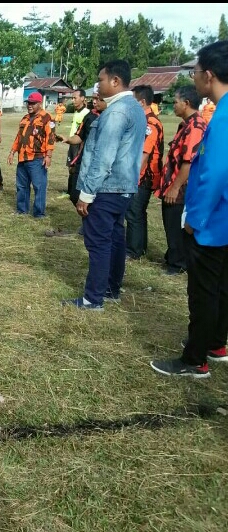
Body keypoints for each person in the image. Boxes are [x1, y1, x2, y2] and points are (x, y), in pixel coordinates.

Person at [151, 40, 228, 377]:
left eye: (195, 73)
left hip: (213, 222)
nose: (194, 79)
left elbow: (214, 174)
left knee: (203, 292)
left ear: (208, 76)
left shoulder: (222, 118)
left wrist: (194, 220)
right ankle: (216, 344)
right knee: (222, 287)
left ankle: (194, 359)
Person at [61, 59, 146, 310]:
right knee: (114, 239)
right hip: (124, 188)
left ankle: (93, 298)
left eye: (100, 80)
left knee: (98, 243)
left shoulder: (117, 112)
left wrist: (86, 194)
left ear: (115, 81)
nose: (97, 86)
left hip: (107, 188)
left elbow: (104, 157)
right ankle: (110, 289)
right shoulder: (134, 108)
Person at [156, 86, 206, 276]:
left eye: (175, 102)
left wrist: (175, 188)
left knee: (175, 222)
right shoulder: (186, 125)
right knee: (171, 222)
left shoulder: (195, 128)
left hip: (182, 186)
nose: (173, 105)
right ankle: (174, 256)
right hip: (174, 183)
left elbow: (188, 162)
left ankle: (177, 263)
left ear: (186, 103)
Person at [45, 87, 106, 237]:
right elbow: (80, 136)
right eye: (94, 98)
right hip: (83, 160)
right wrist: (66, 139)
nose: (95, 101)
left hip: (100, 163)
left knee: (95, 197)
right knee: (74, 193)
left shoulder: (111, 118)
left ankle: (92, 227)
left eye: (99, 99)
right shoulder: (90, 117)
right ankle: (88, 222)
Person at [125, 84, 164, 260]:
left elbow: (145, 153)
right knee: (137, 213)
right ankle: (139, 247)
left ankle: (134, 250)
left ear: (141, 102)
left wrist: (132, 178)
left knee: (134, 213)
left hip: (143, 176)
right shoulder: (143, 120)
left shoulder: (150, 123)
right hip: (139, 175)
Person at [7, 91, 55, 218]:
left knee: (39, 186)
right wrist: (12, 152)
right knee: (21, 185)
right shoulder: (25, 118)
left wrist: (48, 156)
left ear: (39, 103)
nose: (29, 105)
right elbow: (19, 137)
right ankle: (22, 209)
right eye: (28, 103)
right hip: (22, 158)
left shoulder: (47, 118)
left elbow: (50, 138)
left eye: (33, 103)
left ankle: (39, 213)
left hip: (37, 158)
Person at [63, 88, 90, 195]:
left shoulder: (86, 113)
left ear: (83, 98)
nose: (73, 100)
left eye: (75, 98)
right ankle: (69, 191)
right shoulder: (77, 112)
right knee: (70, 166)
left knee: (75, 167)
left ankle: (74, 191)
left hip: (79, 144)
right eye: (72, 98)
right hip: (72, 142)